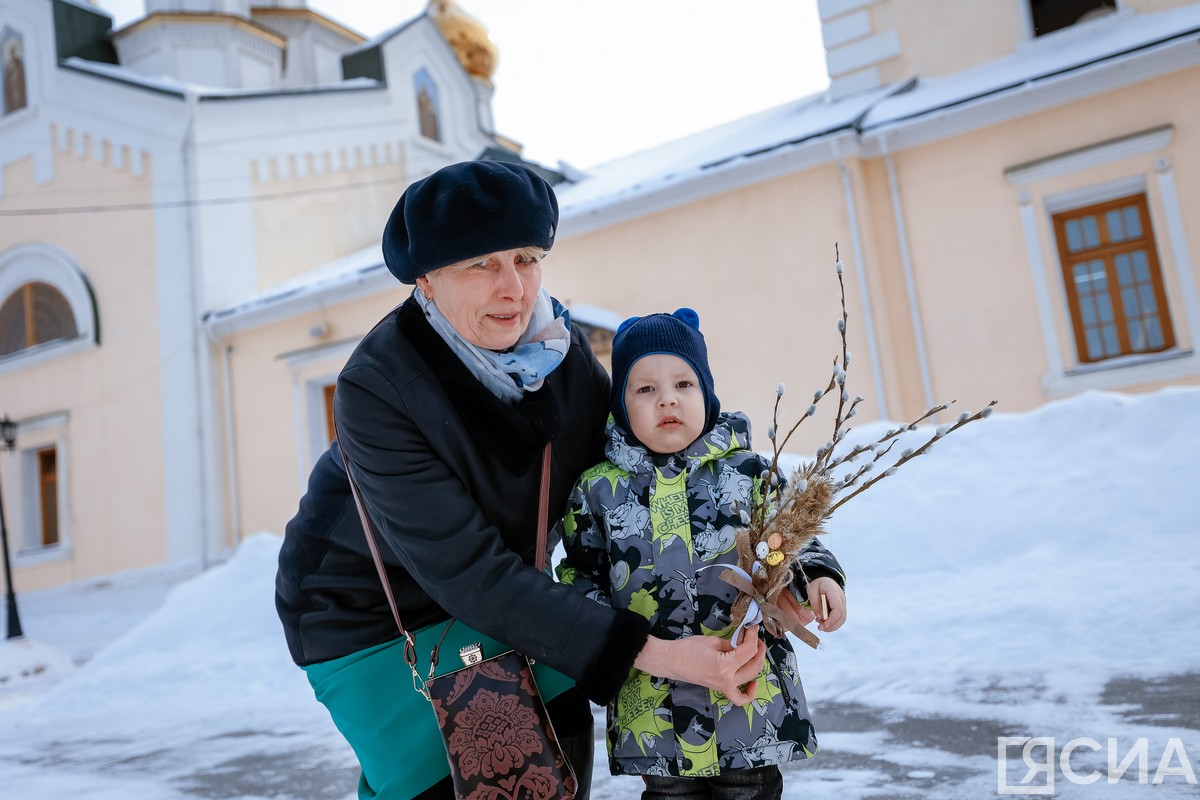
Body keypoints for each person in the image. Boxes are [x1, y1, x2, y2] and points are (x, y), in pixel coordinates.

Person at [275, 161, 770, 800]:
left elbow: (635, 466)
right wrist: (666, 655)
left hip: (503, 592)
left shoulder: (555, 351)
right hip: (367, 612)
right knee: (441, 780)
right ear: (426, 279)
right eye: (481, 265)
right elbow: (468, 572)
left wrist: (762, 560)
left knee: (551, 763)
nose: (514, 288)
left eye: (527, 258)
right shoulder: (377, 386)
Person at [555, 308, 848, 800]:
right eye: (644, 389)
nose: (666, 398)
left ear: (707, 395)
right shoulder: (598, 491)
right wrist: (610, 645)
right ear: (621, 406)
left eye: (684, 384)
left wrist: (815, 577)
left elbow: (792, 540)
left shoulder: (749, 474)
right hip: (654, 712)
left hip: (750, 707)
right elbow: (580, 579)